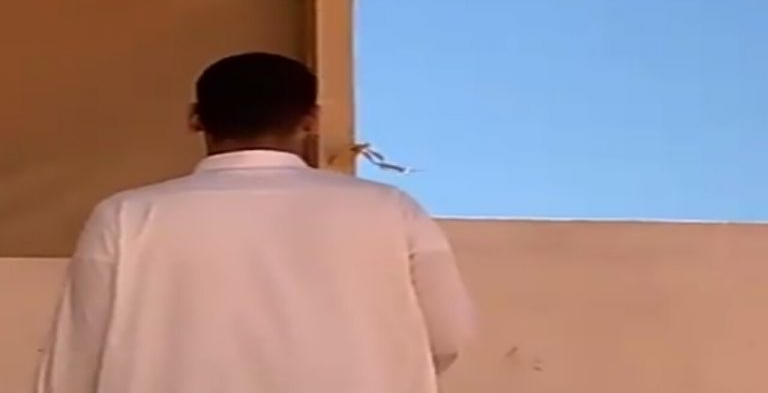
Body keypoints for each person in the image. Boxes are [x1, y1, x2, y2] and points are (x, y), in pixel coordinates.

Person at [36, 52, 475, 393]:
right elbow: (449, 335)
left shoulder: (126, 215)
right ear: (311, 120)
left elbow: (76, 357)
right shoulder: (390, 209)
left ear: (194, 118)